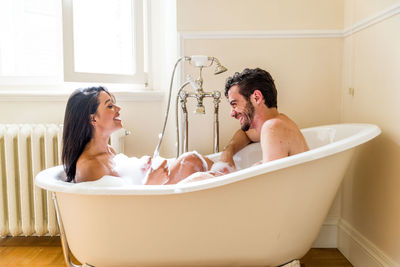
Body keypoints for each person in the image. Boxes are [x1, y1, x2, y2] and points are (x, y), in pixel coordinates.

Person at [61, 86, 216, 184]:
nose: (118, 108)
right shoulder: (89, 167)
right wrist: (151, 182)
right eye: (110, 106)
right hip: (151, 207)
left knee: (191, 160)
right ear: (93, 118)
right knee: (199, 173)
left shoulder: (109, 151)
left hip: (154, 196)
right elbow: (120, 213)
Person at [220, 68, 309, 168]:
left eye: (234, 104)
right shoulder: (278, 123)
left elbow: (271, 182)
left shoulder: (273, 127)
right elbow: (245, 134)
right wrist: (228, 152)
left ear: (256, 97)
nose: (231, 113)